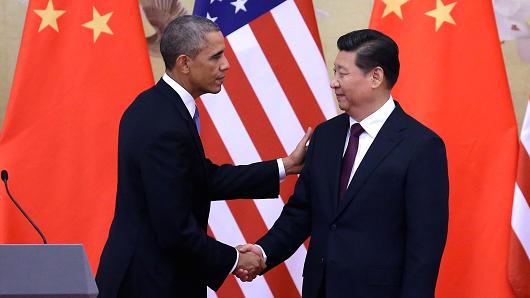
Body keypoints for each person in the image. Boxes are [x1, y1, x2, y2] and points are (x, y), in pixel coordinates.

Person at [95, 15, 311, 298]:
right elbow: (174, 230)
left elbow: (203, 178)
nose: (226, 65)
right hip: (148, 282)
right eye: (216, 57)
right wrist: (235, 260)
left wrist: (286, 165)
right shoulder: (162, 122)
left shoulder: (160, 106)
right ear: (185, 63)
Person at [236, 29, 449, 298]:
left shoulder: (421, 146)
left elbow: (425, 247)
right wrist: (263, 252)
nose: (333, 83)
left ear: (375, 77)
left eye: (342, 73)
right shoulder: (326, 136)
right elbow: (301, 212)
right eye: (334, 72)